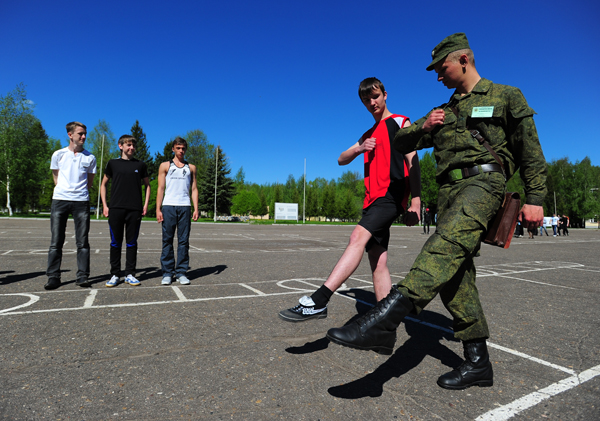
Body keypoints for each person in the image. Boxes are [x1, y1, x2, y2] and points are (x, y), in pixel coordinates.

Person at [326, 33, 547, 390]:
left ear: (463, 59)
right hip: (448, 194)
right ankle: (478, 363)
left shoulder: (505, 96)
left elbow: (530, 151)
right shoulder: (442, 112)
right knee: (454, 278)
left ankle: (383, 322)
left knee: (441, 249)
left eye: (441, 67)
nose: (437, 76)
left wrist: (536, 196)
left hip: (484, 185)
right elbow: (399, 141)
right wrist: (424, 128)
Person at [279, 77, 421, 322]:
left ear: (385, 95)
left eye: (375, 96)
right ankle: (384, 323)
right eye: (366, 100)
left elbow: (413, 160)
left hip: (390, 194)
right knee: (377, 259)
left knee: (357, 237)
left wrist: (416, 201)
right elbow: (341, 159)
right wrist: (360, 148)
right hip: (372, 201)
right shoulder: (368, 134)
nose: (371, 102)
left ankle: (319, 301)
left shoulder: (400, 121)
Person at [45, 122, 97, 290]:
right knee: (56, 241)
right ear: (70, 135)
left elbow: (89, 183)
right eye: (80, 133)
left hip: (81, 202)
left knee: (82, 242)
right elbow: (56, 177)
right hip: (60, 200)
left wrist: (77, 192)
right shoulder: (58, 155)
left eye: (85, 134)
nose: (84, 137)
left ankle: (82, 276)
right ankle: (53, 277)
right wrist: (65, 191)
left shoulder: (90, 158)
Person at [100, 135, 151, 287]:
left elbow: (147, 185)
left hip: (134, 210)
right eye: (128, 145)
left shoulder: (140, 165)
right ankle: (115, 274)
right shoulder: (112, 164)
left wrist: (145, 205)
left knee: (131, 243)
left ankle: (130, 274)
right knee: (115, 242)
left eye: (133, 145)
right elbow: (103, 185)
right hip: (115, 209)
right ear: (120, 146)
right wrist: (105, 205)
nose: (131, 148)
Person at [156, 137, 199, 285]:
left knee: (183, 241)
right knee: (167, 240)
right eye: (178, 148)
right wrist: (158, 209)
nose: (181, 151)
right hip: (168, 206)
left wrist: (196, 208)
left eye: (183, 148)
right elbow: (161, 188)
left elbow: (194, 189)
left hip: (185, 206)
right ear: (173, 149)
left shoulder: (191, 168)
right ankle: (167, 273)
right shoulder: (165, 166)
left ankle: (181, 272)